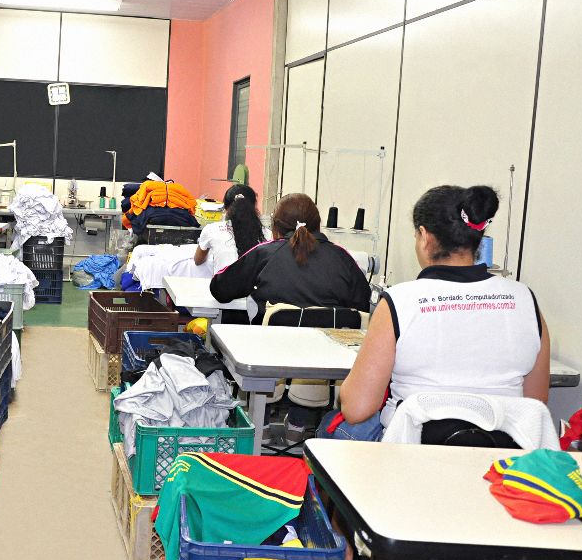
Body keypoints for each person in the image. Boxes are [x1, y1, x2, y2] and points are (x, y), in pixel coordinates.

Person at [325, 185, 551, 442]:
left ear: (424, 237)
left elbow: (357, 409)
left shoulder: (399, 302)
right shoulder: (525, 299)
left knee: (332, 428)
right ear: (477, 238)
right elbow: (535, 403)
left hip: (413, 453)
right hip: (501, 456)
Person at [209, 192, 371, 325]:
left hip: (270, 349)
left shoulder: (264, 254)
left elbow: (220, 289)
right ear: (318, 224)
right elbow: (363, 304)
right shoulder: (343, 258)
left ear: (275, 226)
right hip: (329, 352)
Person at [194, 184, 271, 273]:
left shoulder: (211, 230)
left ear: (226, 208)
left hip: (223, 281)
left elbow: (198, 260)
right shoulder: (268, 234)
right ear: (254, 207)